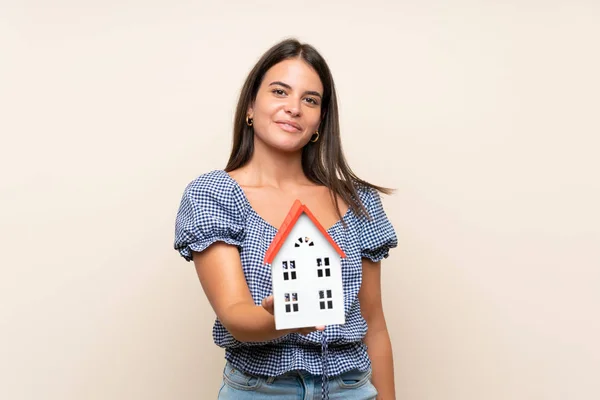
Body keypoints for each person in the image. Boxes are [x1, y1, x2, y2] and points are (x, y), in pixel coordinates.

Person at [174, 38, 398, 400]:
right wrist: (281, 318)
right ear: (250, 106)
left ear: (320, 121)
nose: (293, 108)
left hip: (352, 389)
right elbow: (236, 315)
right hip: (261, 391)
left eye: (309, 100)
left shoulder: (357, 201)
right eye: (280, 91)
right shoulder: (213, 194)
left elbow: (374, 325)